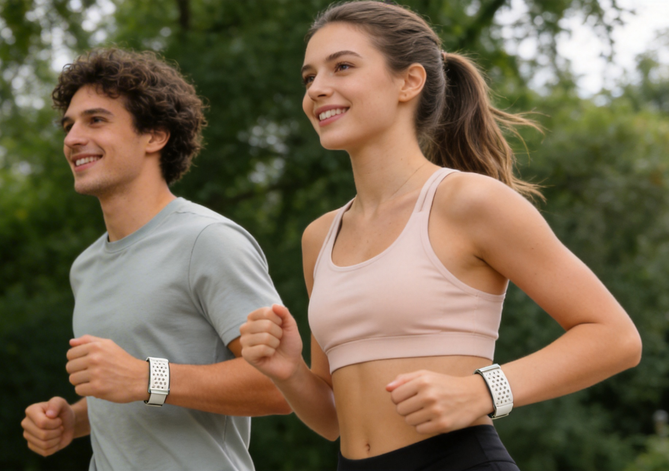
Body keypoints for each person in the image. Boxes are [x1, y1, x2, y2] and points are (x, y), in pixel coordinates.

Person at [238, 2, 643, 470]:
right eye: (309, 77)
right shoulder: (321, 236)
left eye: (342, 67)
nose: (318, 90)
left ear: (409, 81)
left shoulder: (470, 202)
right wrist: (288, 370)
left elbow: (615, 338)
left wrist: (482, 391)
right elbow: (333, 419)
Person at [20, 48, 290, 471]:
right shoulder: (86, 266)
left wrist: (147, 378)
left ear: (154, 136)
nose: (72, 138)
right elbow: (127, 390)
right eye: (69, 125)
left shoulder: (208, 241)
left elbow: (280, 387)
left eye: (96, 120)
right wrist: (73, 419)